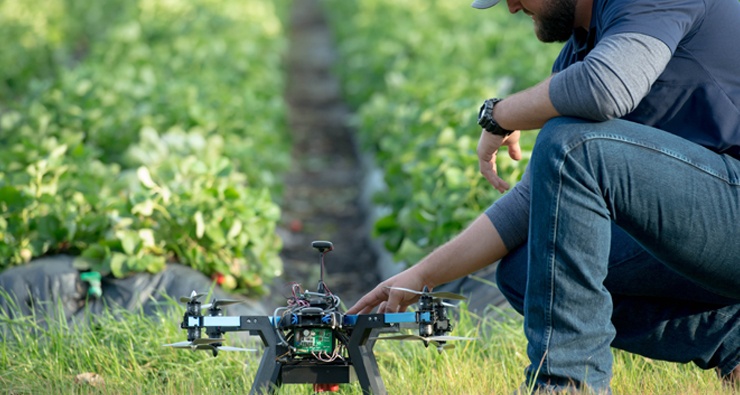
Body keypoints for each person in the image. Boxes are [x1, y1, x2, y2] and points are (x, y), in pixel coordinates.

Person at [347, 0, 740, 392]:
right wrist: (420, 277)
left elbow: (605, 89)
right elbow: (536, 203)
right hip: (720, 225)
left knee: (570, 146)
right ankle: (732, 340)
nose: (513, 7)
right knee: (530, 270)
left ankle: (564, 384)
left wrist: (501, 113)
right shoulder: (583, 49)